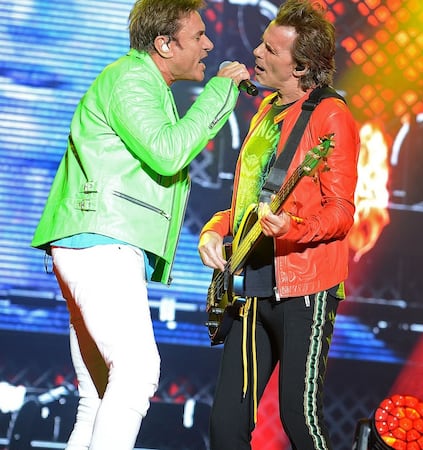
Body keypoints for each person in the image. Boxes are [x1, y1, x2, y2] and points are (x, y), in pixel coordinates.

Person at [29, 0, 251, 448]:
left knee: (97, 396)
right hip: (101, 242)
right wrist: (221, 91)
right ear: (164, 44)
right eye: (198, 36)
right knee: (136, 372)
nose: (209, 44)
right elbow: (168, 152)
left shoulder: (143, 82)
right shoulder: (131, 79)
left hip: (94, 243)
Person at [196, 0, 359, 448]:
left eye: (270, 49)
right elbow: (247, 201)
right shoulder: (266, 108)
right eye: (262, 43)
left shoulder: (331, 115)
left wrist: (293, 228)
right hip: (250, 283)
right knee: (226, 427)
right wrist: (214, 228)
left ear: (302, 66)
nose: (257, 53)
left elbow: (342, 212)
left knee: (299, 421)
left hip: (305, 289)